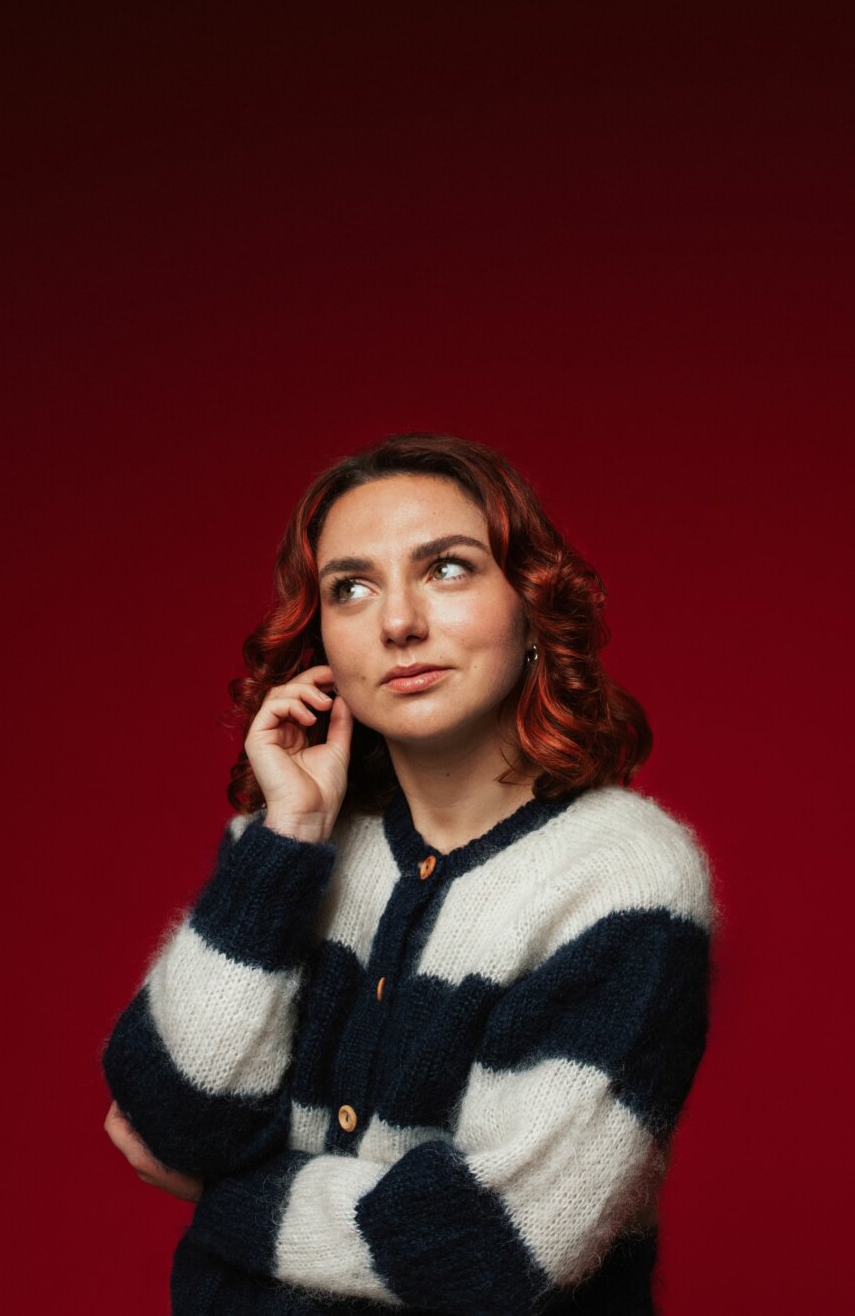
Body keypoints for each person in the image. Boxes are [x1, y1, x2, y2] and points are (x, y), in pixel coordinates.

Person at [102, 432, 713, 1315]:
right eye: (351, 588)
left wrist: (226, 1197)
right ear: (320, 637)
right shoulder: (287, 847)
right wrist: (288, 838)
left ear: (532, 605)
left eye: (448, 570)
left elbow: (494, 1244)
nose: (398, 623)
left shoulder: (623, 880)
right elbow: (169, 1119)